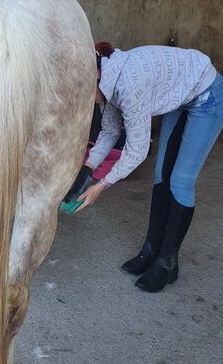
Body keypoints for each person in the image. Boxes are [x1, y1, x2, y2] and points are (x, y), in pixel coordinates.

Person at [74, 42, 223, 292]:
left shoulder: (130, 85)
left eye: (82, 91)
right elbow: (109, 132)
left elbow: (137, 151)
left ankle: (167, 263)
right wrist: (85, 171)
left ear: (95, 75)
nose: (84, 99)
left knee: (180, 180)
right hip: (181, 95)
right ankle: (151, 250)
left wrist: (101, 186)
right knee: (161, 175)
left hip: (207, 95)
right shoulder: (106, 83)